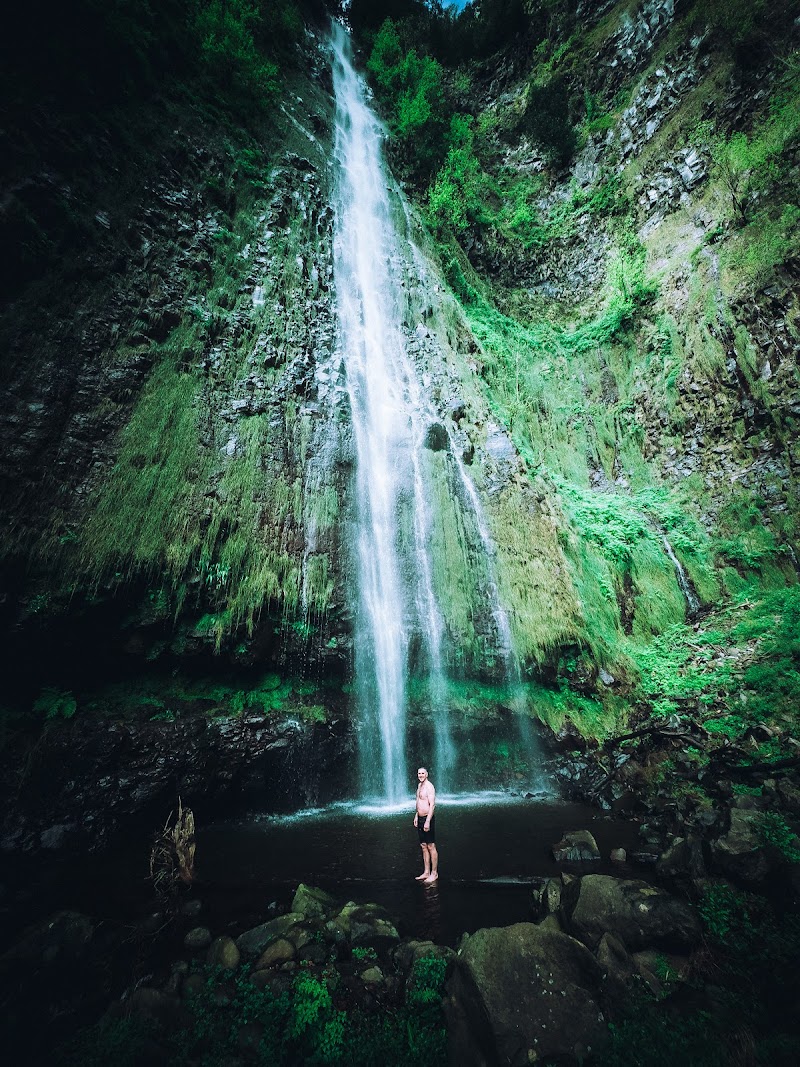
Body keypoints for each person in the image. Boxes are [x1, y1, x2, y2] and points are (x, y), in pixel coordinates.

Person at [413, 766, 438, 883]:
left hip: (428, 818)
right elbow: (419, 802)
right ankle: (426, 872)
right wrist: (416, 816)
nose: (420, 775)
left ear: (426, 774)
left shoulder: (429, 787)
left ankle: (434, 873)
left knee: (431, 846)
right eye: (419, 773)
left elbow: (432, 805)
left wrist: (428, 821)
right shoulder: (419, 786)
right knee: (423, 846)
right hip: (420, 818)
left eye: (422, 773)